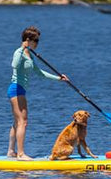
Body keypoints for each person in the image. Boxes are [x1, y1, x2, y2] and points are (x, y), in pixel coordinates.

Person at [7, 26, 68, 160]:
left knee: (18, 121)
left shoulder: (30, 55)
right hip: (16, 89)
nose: (37, 44)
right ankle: (21, 154)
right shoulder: (19, 52)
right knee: (23, 121)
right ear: (28, 40)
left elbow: (40, 73)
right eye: (36, 41)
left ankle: (11, 151)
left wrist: (58, 78)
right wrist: (23, 48)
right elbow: (14, 65)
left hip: (20, 89)